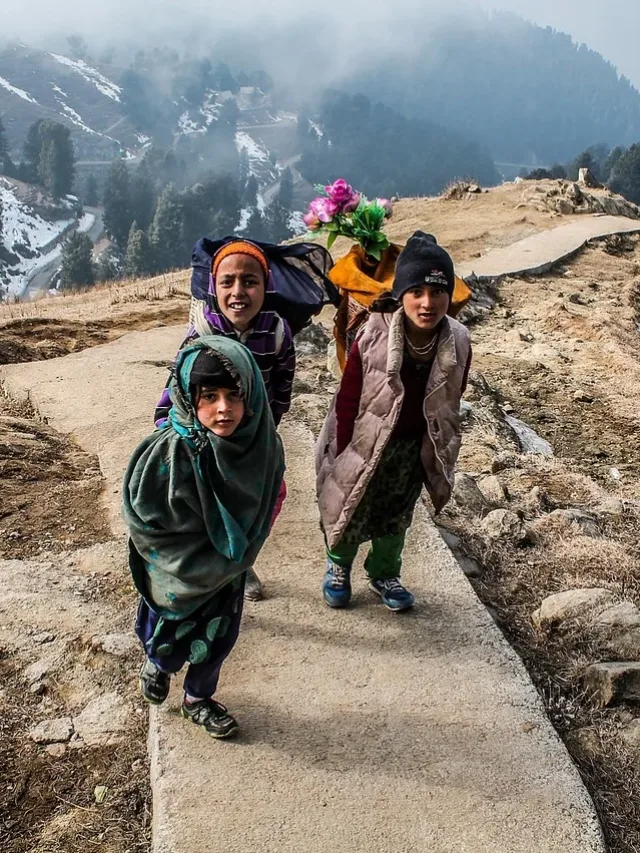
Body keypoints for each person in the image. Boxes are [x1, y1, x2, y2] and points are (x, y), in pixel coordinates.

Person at [124, 336, 284, 738]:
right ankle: (158, 666)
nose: (224, 408)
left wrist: (242, 544)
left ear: (253, 394)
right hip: (175, 572)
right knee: (164, 629)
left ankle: (198, 698)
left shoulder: (262, 450)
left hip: (227, 571)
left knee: (216, 639)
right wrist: (185, 551)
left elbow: (271, 498)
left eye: (234, 395)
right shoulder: (169, 451)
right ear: (187, 397)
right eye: (208, 396)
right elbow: (145, 515)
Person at [316, 232, 472, 612]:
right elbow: (349, 393)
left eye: (437, 292)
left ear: (449, 296)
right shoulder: (374, 332)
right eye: (416, 291)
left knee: (396, 516)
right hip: (366, 439)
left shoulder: (459, 340)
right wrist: (343, 444)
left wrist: (440, 446)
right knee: (352, 503)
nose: (427, 302)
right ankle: (338, 567)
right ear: (400, 294)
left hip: (410, 448)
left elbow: (453, 396)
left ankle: (385, 572)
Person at [154, 240, 294, 602]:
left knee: (266, 496)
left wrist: (265, 431)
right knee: (210, 503)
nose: (238, 292)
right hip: (207, 441)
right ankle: (205, 566)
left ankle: (240, 558)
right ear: (213, 287)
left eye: (250, 282)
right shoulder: (201, 333)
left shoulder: (277, 333)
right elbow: (178, 387)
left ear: (266, 286)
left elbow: (282, 384)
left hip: (252, 440)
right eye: (227, 282)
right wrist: (167, 430)